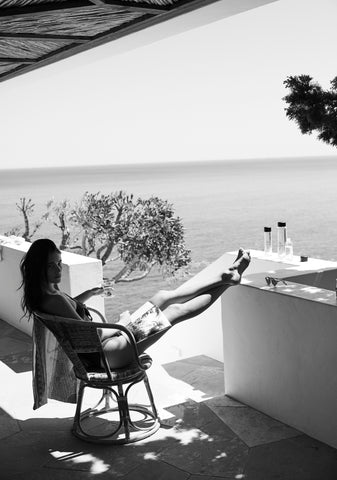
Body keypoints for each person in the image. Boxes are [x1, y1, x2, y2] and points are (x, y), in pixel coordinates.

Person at [20, 238, 251, 370]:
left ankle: (226, 276)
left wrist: (88, 294)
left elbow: (68, 313)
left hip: (107, 346)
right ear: (40, 267)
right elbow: (88, 336)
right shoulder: (55, 298)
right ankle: (227, 281)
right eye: (52, 265)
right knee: (174, 311)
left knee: (161, 296)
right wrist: (122, 322)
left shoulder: (45, 294)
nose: (59, 269)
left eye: (60, 263)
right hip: (107, 356)